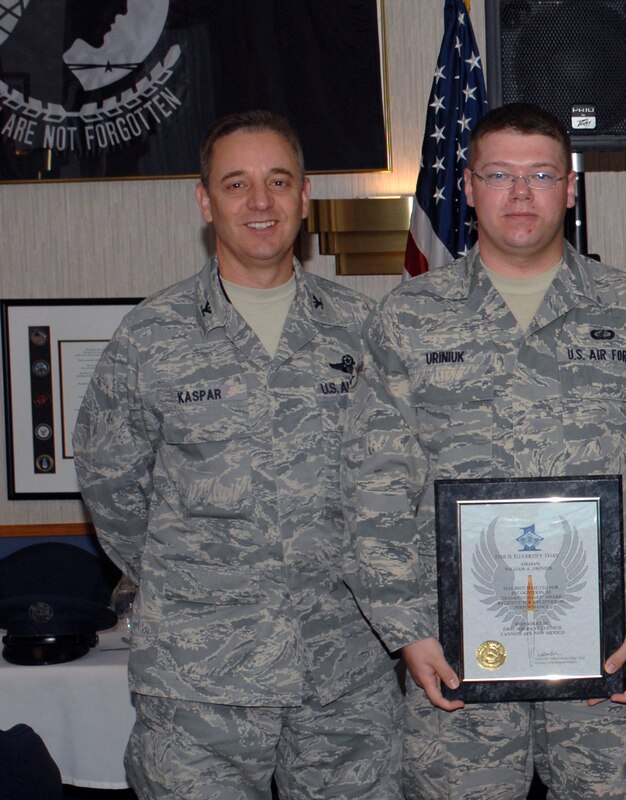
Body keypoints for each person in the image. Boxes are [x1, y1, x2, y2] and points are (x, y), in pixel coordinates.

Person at [342, 102, 626, 798]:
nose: (521, 193)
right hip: (455, 657)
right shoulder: (408, 318)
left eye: (541, 174)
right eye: (500, 174)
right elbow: (373, 485)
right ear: (467, 187)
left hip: (604, 648)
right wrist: (408, 631)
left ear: (569, 187)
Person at [74, 111, 398, 798]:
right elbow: (111, 488)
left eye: (278, 182)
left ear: (304, 195)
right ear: (204, 200)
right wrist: (199, 586)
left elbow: (398, 483)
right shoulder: (150, 338)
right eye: (236, 184)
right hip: (200, 686)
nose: (260, 203)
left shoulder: (364, 331)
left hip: (344, 678)